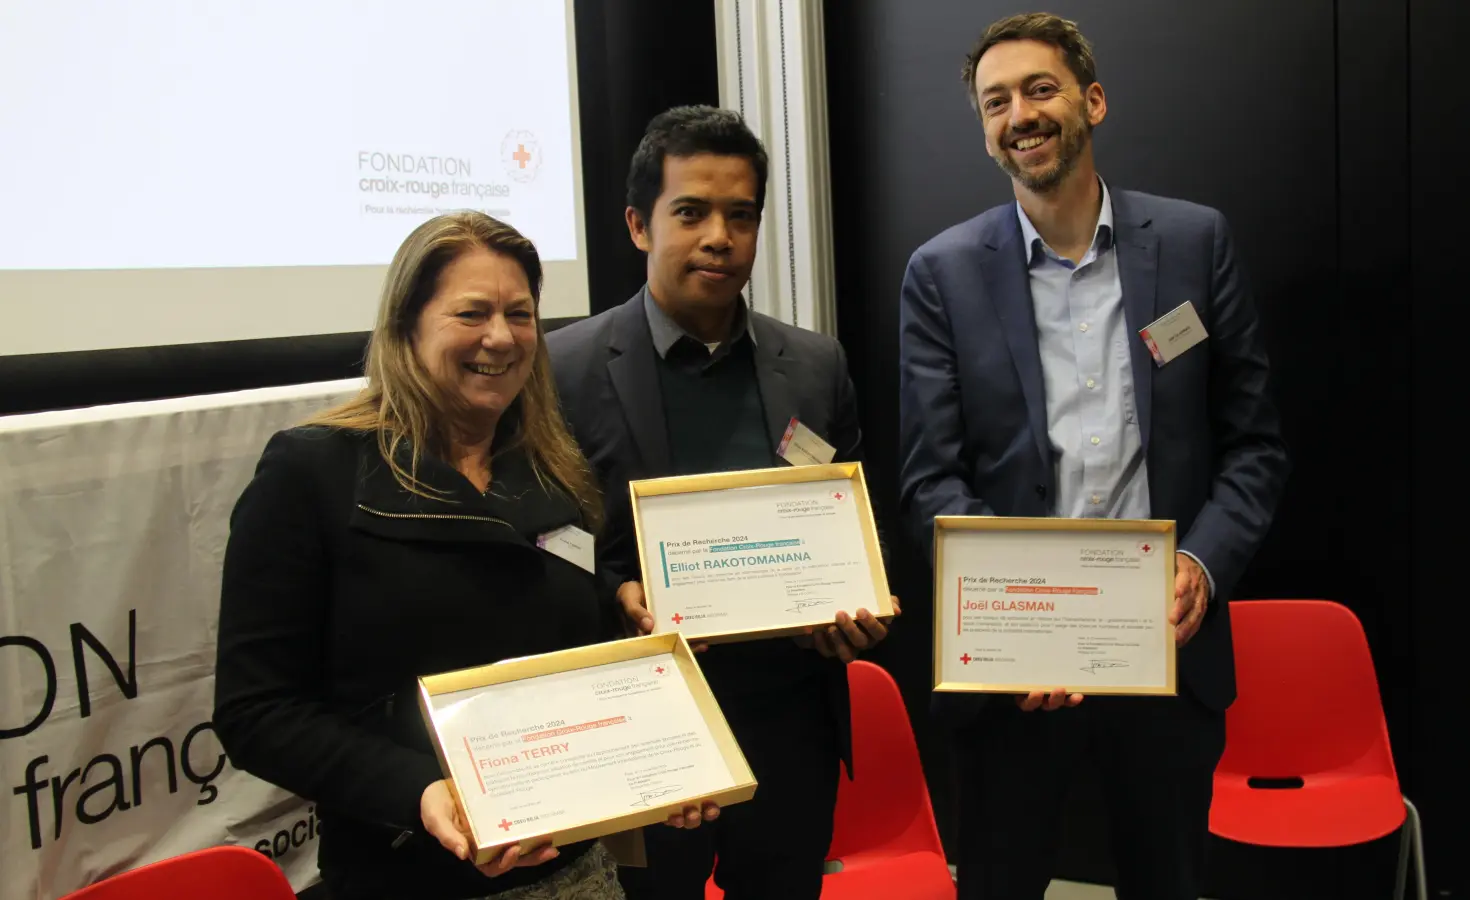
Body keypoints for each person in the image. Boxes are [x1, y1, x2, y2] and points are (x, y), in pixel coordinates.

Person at [899, 13, 1291, 900]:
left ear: (1093, 100)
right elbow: (932, 480)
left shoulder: (1195, 244)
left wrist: (1203, 559)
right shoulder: (942, 273)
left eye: (1040, 88)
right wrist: (1011, 625)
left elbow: (1255, 445)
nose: (1020, 114)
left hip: (1164, 651)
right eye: (996, 101)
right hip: (1015, 678)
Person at [213, 211, 713, 900]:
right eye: (471, 313)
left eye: (521, 314)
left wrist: (655, 741)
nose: (501, 338)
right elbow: (257, 712)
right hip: (402, 877)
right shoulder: (314, 472)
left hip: (578, 877)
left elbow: (571, 647)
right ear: (406, 326)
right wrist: (418, 790)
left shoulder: (551, 469)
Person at [547, 105, 892, 900]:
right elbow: (545, 540)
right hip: (639, 721)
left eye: (741, 216)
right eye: (691, 212)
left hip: (790, 720)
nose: (719, 237)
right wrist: (613, 595)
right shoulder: (562, 368)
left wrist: (858, 611)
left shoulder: (813, 364)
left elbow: (852, 523)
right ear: (638, 224)